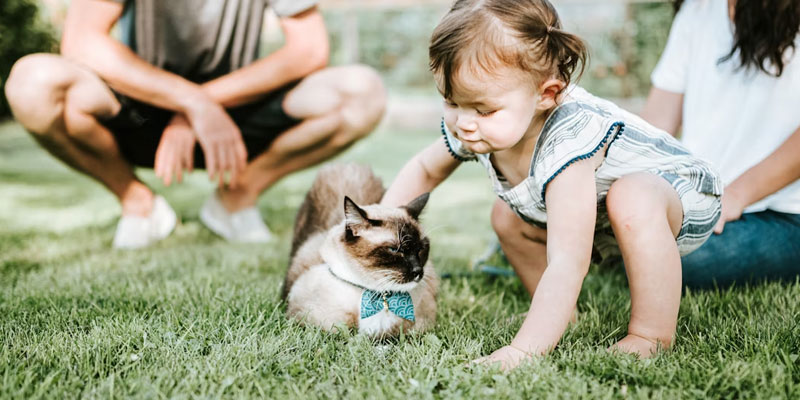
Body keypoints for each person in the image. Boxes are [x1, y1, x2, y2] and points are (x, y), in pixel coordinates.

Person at [381, 0, 723, 369]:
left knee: (631, 199)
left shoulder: (569, 142)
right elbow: (424, 168)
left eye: (483, 109)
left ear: (546, 94)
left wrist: (522, 351)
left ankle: (649, 333)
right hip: (606, 208)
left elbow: (567, 261)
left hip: (681, 192)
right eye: (451, 101)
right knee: (507, 218)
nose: (464, 122)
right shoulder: (477, 124)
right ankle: (562, 319)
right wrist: (379, 228)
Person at [4, 0, 386, 249]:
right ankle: (138, 202)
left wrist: (205, 103)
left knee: (362, 93)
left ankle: (237, 194)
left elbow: (310, 48)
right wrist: (189, 101)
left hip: (236, 116)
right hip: (140, 108)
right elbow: (82, 40)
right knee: (32, 84)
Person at [641, 0, 800, 289]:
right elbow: (657, 121)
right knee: (634, 228)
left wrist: (737, 195)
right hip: (703, 201)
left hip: (784, 213)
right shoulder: (698, 9)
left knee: (679, 259)